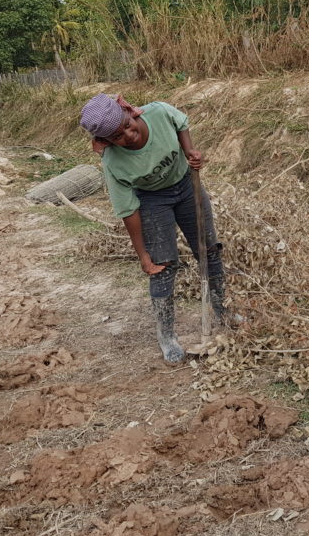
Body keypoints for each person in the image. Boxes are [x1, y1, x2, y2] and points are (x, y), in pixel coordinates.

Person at [79, 92, 229, 364]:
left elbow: (180, 122)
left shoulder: (158, 112)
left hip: (186, 186)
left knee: (209, 251)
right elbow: (128, 211)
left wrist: (190, 152)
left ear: (130, 112)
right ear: (106, 142)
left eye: (127, 125)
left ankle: (222, 311)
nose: (128, 135)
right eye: (118, 137)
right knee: (163, 266)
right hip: (151, 200)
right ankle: (167, 335)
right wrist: (144, 257)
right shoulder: (114, 163)